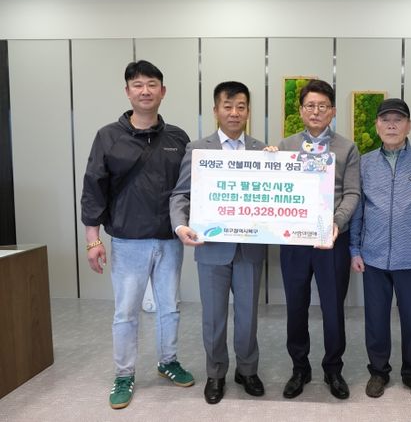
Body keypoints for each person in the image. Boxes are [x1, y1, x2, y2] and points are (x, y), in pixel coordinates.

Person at [81, 60, 194, 410]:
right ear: (128, 91)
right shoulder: (108, 136)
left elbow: (190, 188)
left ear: (163, 91)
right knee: (126, 311)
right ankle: (124, 373)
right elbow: (93, 188)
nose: (145, 91)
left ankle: (168, 361)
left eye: (152, 84)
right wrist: (93, 240)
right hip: (128, 240)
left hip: (169, 240)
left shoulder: (178, 138)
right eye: (138, 85)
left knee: (170, 307)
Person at [169, 81, 267, 404]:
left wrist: (278, 166)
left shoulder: (263, 151)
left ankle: (247, 370)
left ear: (248, 111)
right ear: (216, 111)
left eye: (241, 106)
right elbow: (180, 194)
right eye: (228, 106)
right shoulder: (198, 149)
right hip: (211, 248)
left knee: (248, 317)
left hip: (250, 248)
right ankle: (216, 373)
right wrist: (180, 225)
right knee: (213, 317)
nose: (234, 112)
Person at [349, 98, 411, 401]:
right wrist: (354, 249)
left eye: (398, 120)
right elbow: (359, 210)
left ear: (408, 126)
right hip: (373, 257)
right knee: (375, 319)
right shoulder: (365, 163)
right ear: (377, 125)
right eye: (385, 120)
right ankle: (378, 371)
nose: (391, 125)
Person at [277, 79, 361, 400]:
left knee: (333, 307)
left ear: (333, 111)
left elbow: (352, 193)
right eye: (310, 106)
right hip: (295, 241)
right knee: (296, 306)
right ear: (301, 111)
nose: (316, 111)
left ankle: (333, 369)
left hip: (332, 240)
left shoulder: (347, 148)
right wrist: (268, 163)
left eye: (322, 106)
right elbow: (275, 189)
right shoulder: (285, 146)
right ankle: (300, 368)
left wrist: (336, 223)